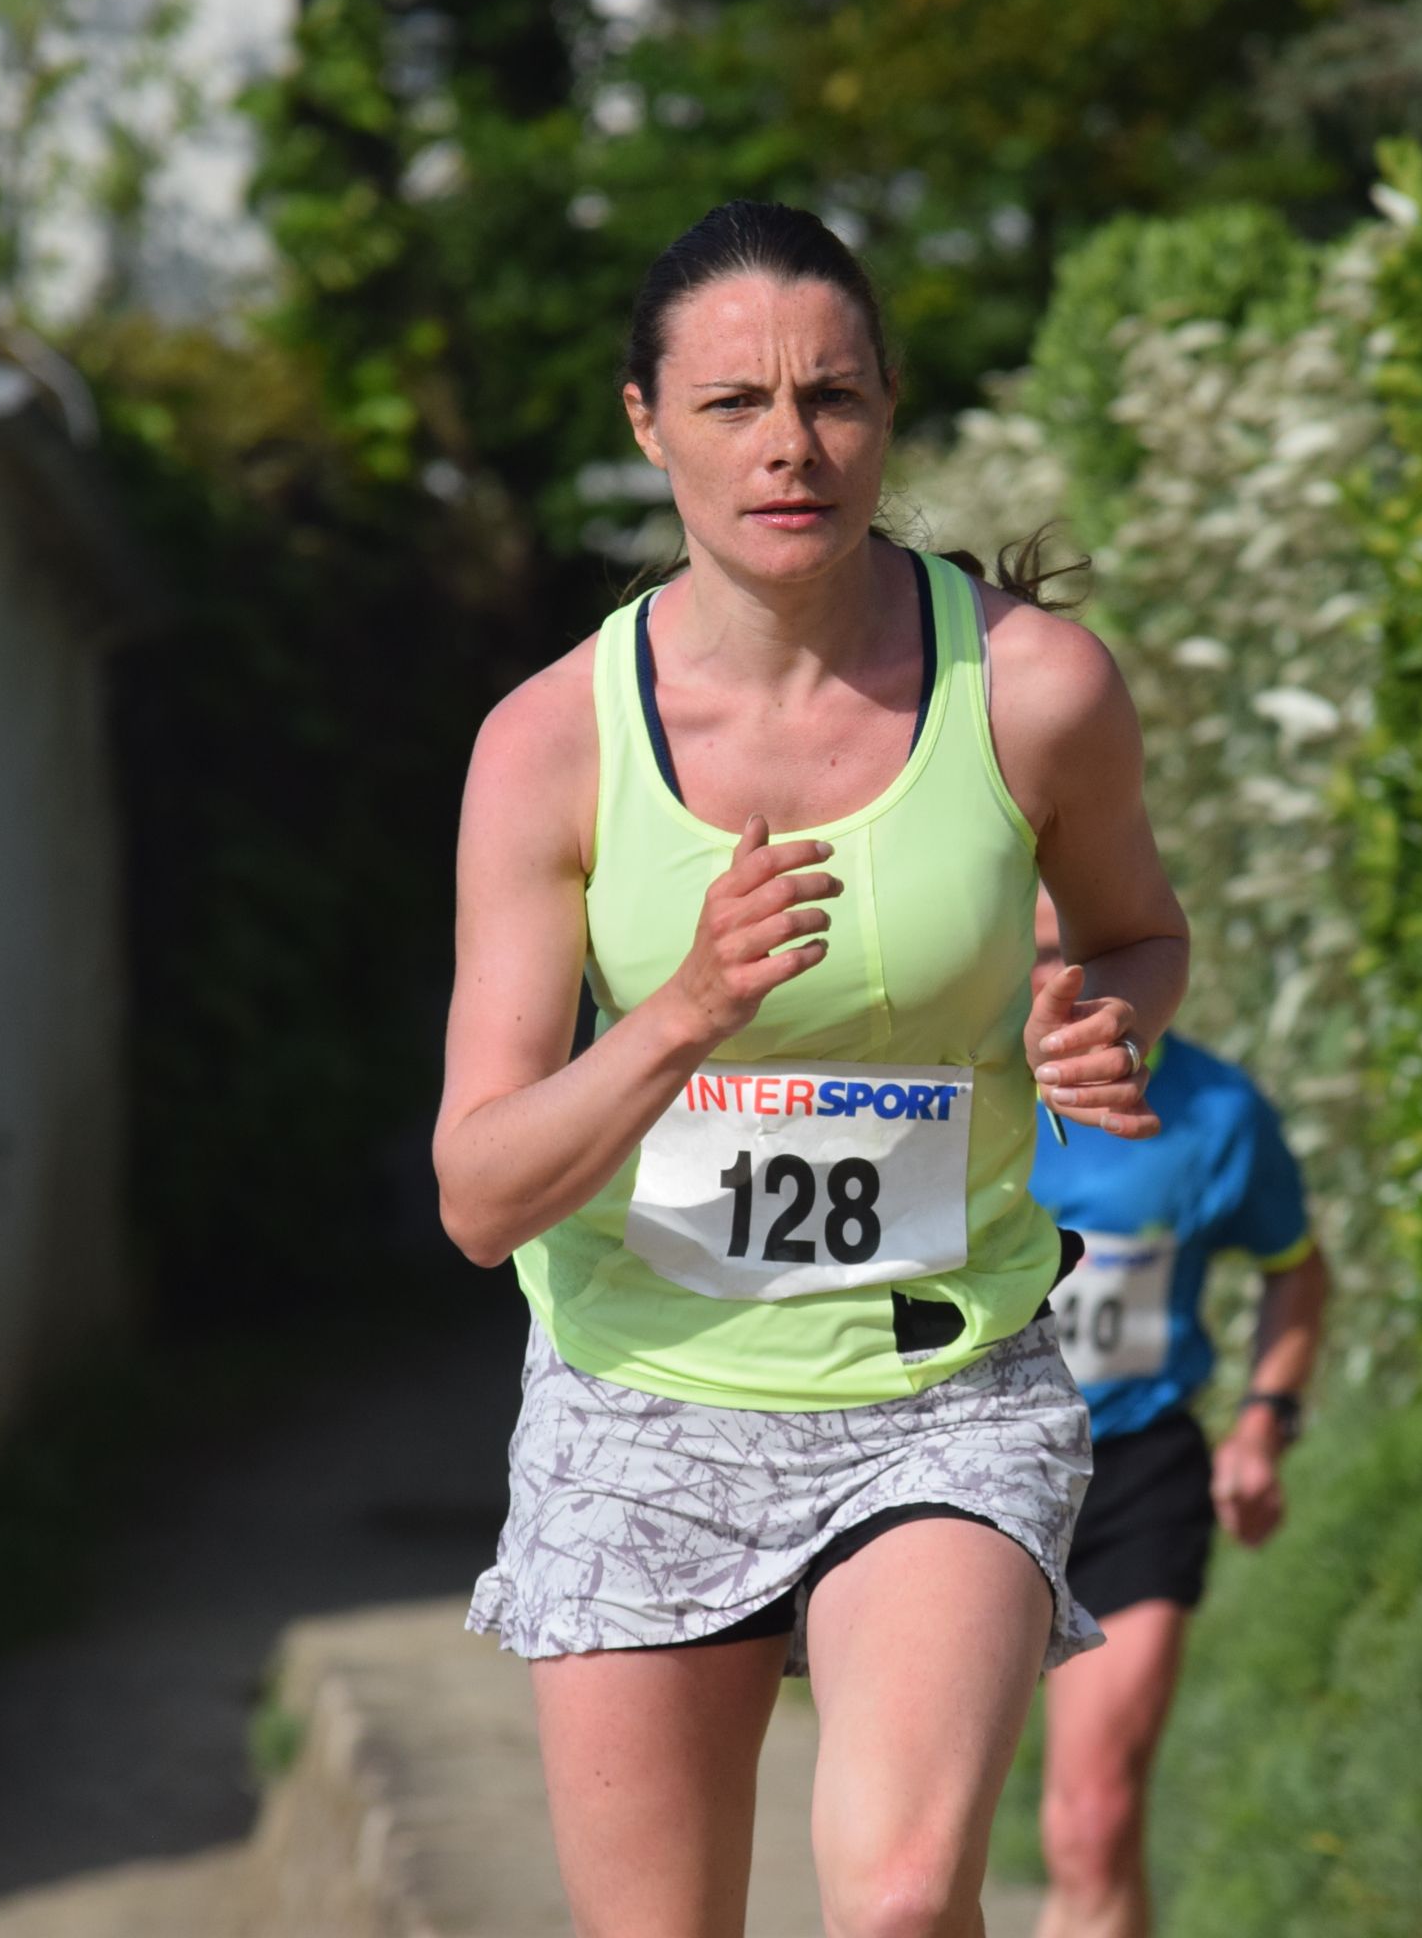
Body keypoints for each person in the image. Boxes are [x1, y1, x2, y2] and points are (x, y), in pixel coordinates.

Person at [432, 199, 1190, 1938]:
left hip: (942, 1380)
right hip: (641, 1390)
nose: (791, 445)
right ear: (648, 424)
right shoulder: (550, 746)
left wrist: (1098, 1018)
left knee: (906, 1900)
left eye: (833, 397)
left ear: (887, 410)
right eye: (733, 404)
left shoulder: (1034, 691)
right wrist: (680, 1013)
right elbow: (478, 1196)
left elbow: (1139, 936)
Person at [1022, 893, 1331, 1938]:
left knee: (1093, 1820)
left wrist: (1262, 1421)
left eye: (1084, 957)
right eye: (1033, 954)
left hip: (1132, 1471)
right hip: (952, 1464)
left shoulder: (1215, 1111)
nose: (1059, 983)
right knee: (920, 1850)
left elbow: (1296, 1269)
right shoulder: (940, 1090)